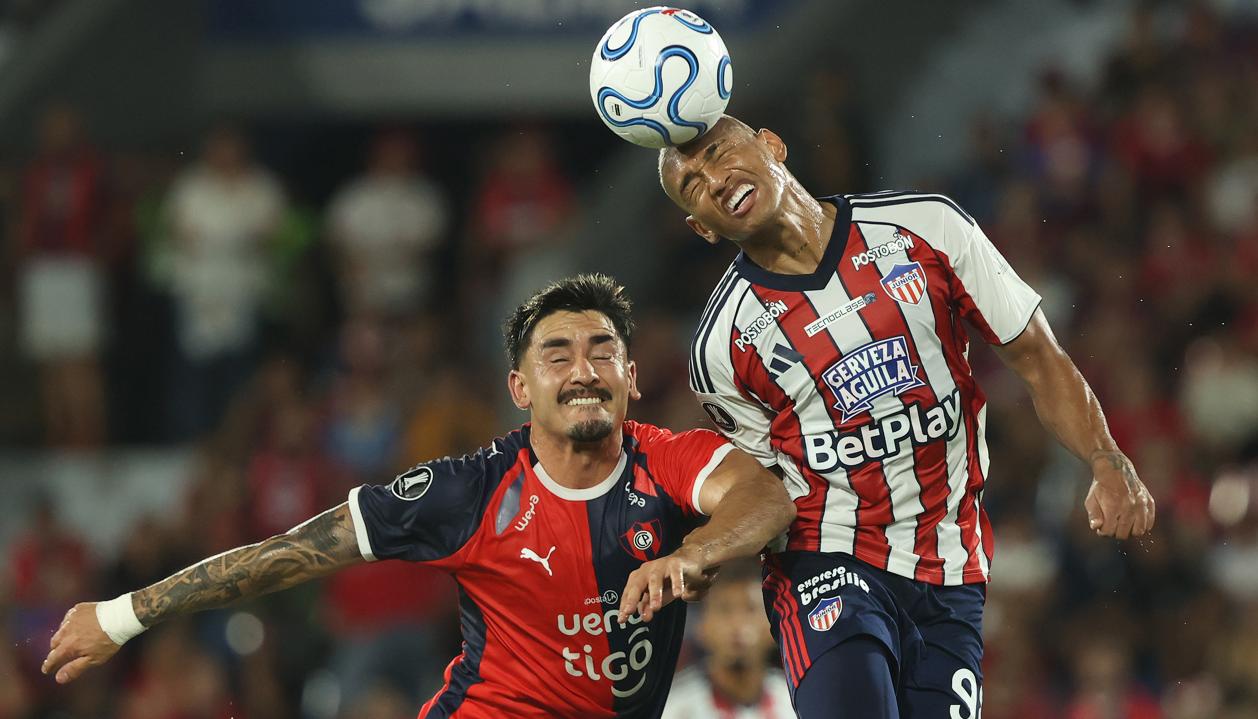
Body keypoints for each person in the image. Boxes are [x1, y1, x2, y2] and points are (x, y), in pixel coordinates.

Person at [41, 273, 796, 719]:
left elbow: (763, 497)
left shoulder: (667, 463)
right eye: (556, 354)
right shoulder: (466, 490)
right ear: (520, 387)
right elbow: (289, 554)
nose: (583, 369)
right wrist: (122, 612)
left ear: (632, 377)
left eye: (604, 350)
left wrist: (695, 551)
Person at [657, 116, 1156, 718]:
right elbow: (765, 495)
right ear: (700, 228)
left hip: (952, 565)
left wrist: (1105, 455)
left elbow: (1037, 358)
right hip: (827, 560)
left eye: (719, 152)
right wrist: (705, 548)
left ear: (772, 144)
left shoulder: (928, 227)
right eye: (692, 186)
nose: (714, 179)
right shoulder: (721, 345)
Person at [661, 558, 792, 719]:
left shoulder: (794, 701)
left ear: (774, 627)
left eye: (750, 609)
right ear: (703, 627)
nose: (737, 624)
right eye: (724, 610)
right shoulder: (676, 707)